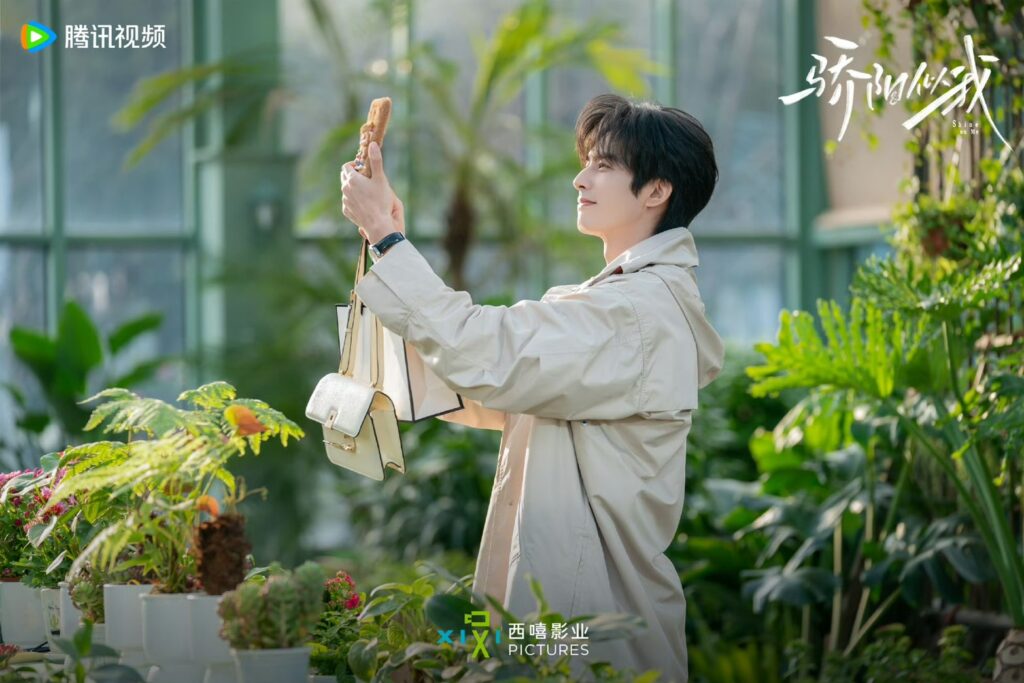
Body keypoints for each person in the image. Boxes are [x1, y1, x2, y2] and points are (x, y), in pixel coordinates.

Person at [340, 93, 725, 683]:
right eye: (586, 162)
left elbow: (485, 354)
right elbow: (479, 380)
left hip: (586, 627)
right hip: (570, 616)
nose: (580, 178)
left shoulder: (635, 312)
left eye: (604, 165)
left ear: (656, 190)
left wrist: (387, 238)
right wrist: (387, 238)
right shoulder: (621, 301)